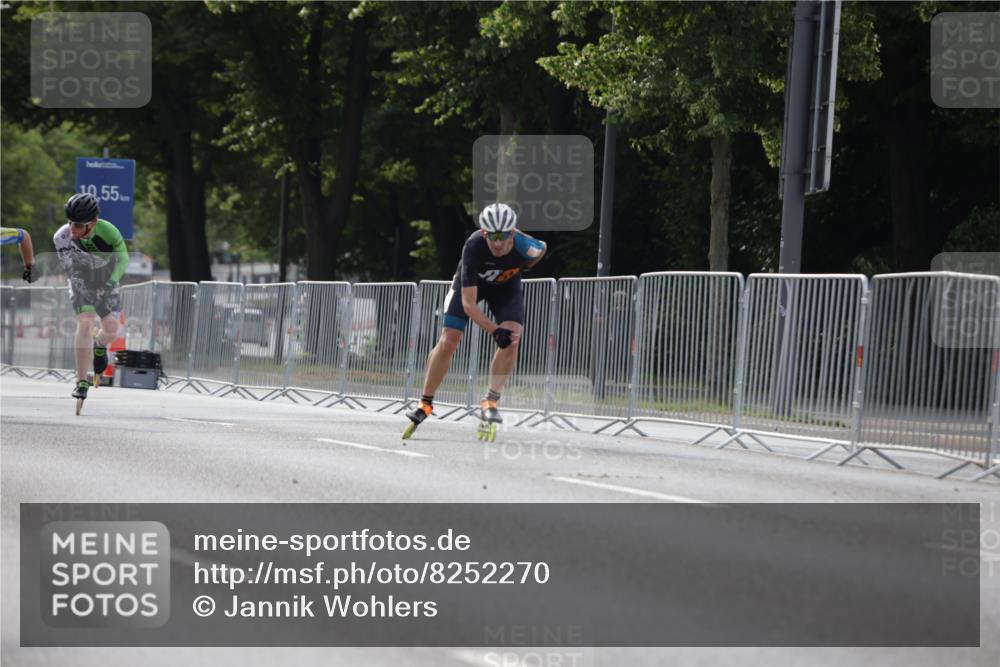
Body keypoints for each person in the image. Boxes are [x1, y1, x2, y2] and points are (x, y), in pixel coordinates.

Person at [404, 203, 547, 436]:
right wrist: (493, 330)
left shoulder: (527, 246)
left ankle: (491, 402)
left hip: (505, 288)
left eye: (503, 236)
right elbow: (469, 304)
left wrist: (524, 267)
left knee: (512, 338)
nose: (497, 243)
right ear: (484, 233)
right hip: (470, 287)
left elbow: (541, 250)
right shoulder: (473, 246)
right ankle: (425, 403)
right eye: (492, 236)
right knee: (450, 339)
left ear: (513, 233)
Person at [53, 193, 129, 400]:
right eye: (70, 222)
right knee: (85, 321)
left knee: (112, 331)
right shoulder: (61, 238)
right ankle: (81, 381)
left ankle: (100, 345)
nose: (72, 229)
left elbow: (123, 260)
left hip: (107, 277)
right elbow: (71, 271)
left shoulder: (109, 231)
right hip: (80, 278)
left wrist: (109, 284)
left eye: (78, 225)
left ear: (92, 223)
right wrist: (89, 292)